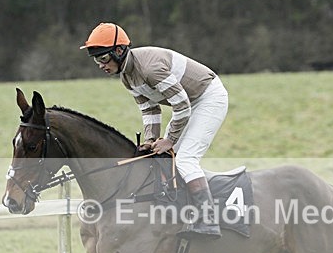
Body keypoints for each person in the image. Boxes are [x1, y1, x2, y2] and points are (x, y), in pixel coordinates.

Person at [80, 22, 228, 239]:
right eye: (96, 59)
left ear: (119, 51)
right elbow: (149, 109)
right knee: (161, 155)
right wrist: (151, 140)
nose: (100, 64)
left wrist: (169, 139)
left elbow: (182, 106)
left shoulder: (150, 69)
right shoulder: (126, 76)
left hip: (208, 98)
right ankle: (180, 211)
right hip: (188, 103)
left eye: (103, 58)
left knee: (185, 159)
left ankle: (208, 220)